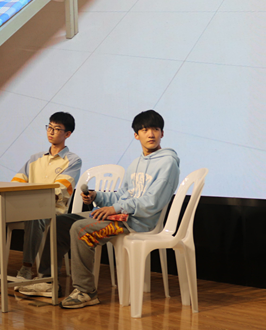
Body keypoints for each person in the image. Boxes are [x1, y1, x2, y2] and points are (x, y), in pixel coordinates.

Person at [19, 109, 180, 309]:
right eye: (145, 130)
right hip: (121, 216)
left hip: (136, 222)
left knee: (81, 228)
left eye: (155, 129)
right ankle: (48, 280)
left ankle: (86, 291)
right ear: (136, 135)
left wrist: (115, 208)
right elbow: (122, 196)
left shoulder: (168, 163)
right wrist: (98, 197)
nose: (151, 134)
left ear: (162, 133)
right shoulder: (136, 163)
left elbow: (152, 202)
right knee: (60, 222)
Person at [0, 111, 82, 290]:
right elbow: (16, 182)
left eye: (56, 129)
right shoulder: (35, 158)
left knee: (35, 216)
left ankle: (26, 268)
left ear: (67, 134)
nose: (51, 132)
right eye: (49, 127)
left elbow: (60, 189)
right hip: (22, 207)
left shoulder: (73, 160)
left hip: (49, 210)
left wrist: (29, 198)